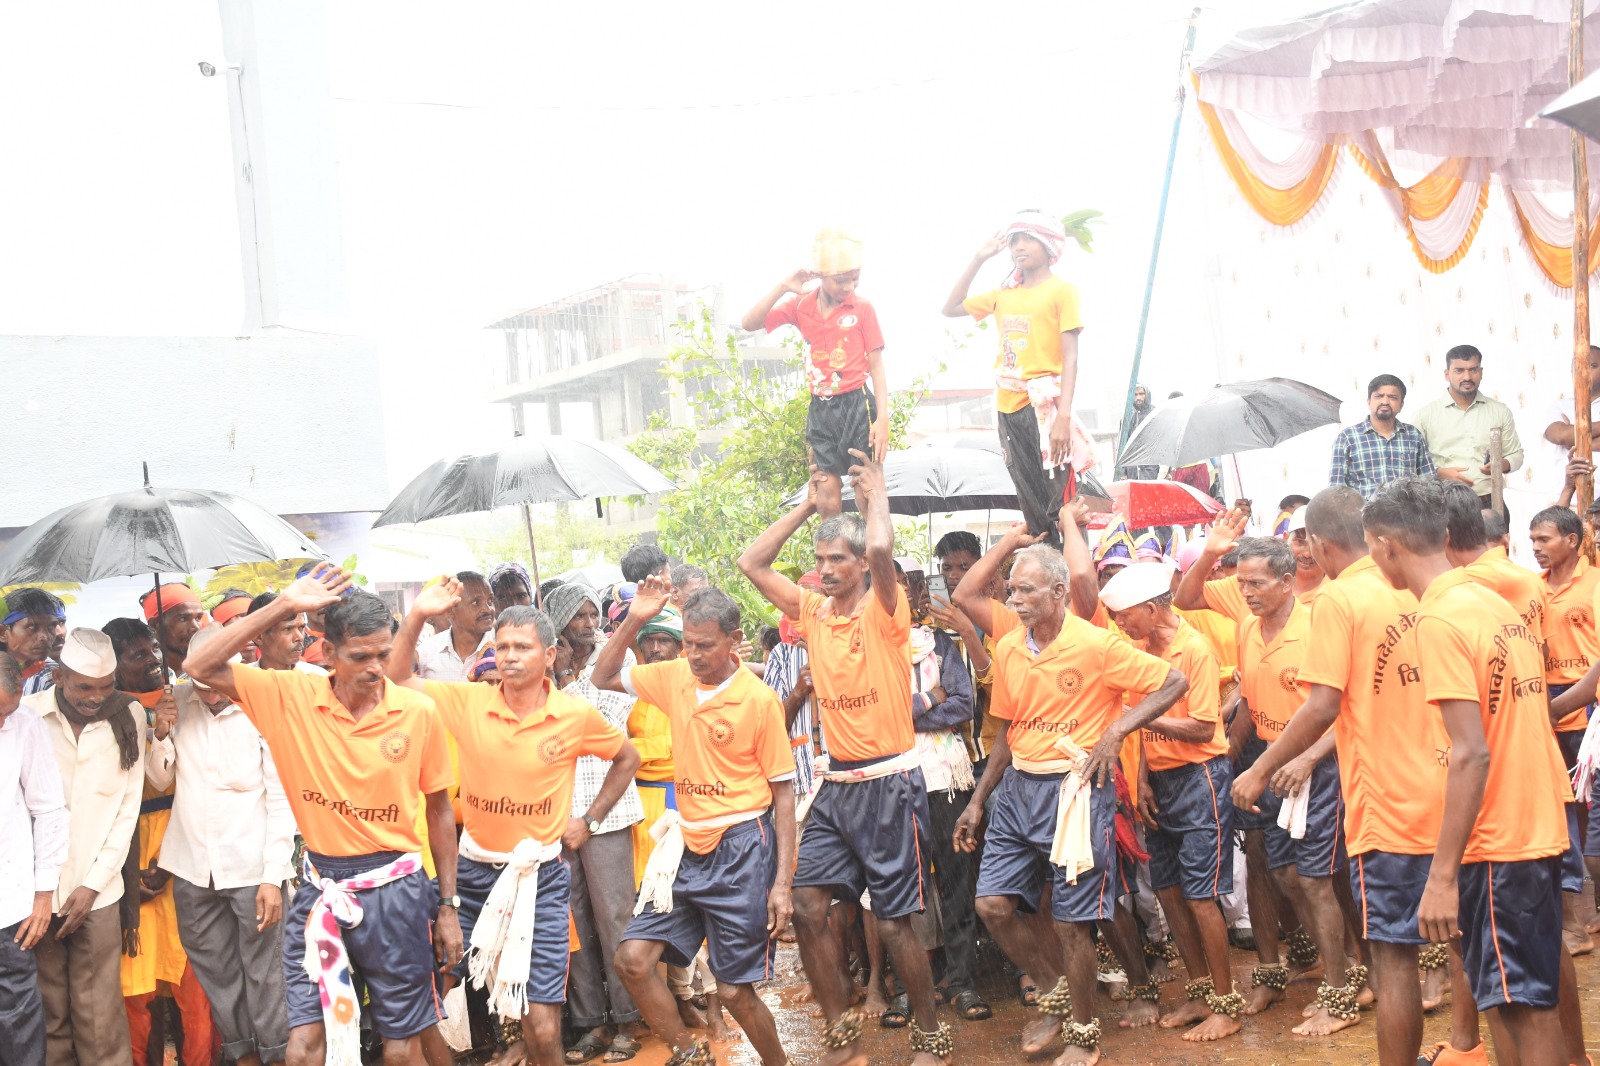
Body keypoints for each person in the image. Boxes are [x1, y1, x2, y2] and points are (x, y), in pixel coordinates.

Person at [184, 568, 462, 1066]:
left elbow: (440, 811)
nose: (376, 668)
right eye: (360, 657)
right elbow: (198, 664)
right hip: (320, 891)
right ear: (328, 652)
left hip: (396, 892)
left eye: (383, 654)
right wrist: (282, 604)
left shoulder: (417, 712)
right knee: (302, 1047)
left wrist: (447, 906)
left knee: (402, 1049)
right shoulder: (288, 696)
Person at [738, 452, 951, 1066]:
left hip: (890, 783)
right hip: (835, 786)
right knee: (807, 907)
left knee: (893, 923)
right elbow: (751, 563)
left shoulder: (886, 611)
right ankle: (842, 1040)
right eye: (821, 560)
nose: (826, 569)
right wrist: (809, 504)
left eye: (838, 559)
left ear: (860, 565)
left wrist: (876, 497)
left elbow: (882, 549)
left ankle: (931, 1039)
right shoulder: (811, 612)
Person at [1364, 477, 1577, 1066]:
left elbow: (1471, 752)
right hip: (1531, 824)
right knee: (1511, 1005)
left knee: (1524, 1011)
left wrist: (1440, 876)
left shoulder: (1439, 620)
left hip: (1498, 841)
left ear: (1384, 546)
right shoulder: (1490, 601)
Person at [1232, 487, 1447, 1066]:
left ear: (1321, 546)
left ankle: (1349, 997)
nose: (1247, 591)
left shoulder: (1337, 600)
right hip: (1441, 773)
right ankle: (1465, 1045)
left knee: (1390, 950)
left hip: (1378, 787)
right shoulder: (1421, 587)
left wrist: (1264, 767)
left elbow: (1324, 704)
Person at [387, 580, 640, 1066]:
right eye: (502, 647)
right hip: (472, 875)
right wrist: (417, 615)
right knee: (423, 990)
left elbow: (626, 758)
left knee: (542, 1027)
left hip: (540, 880)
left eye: (522, 647)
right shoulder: (469, 702)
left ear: (549, 655)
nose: (509, 656)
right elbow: (397, 679)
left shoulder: (573, 714)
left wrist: (589, 820)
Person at [952, 544, 1187, 1066]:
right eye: (1011, 590)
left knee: (1072, 920)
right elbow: (1010, 730)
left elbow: (1174, 681)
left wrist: (1118, 730)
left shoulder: (1097, 644)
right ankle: (1057, 993)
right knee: (992, 906)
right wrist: (978, 800)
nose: (1014, 599)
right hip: (1018, 791)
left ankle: (1084, 1033)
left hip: (1076, 791)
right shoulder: (1009, 647)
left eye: (1026, 590)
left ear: (1059, 593)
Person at [595, 579, 798, 1066]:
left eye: (705, 645)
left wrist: (782, 883)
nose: (693, 655)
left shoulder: (758, 700)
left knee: (733, 991)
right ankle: (689, 1055)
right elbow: (602, 676)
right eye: (688, 644)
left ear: (734, 639)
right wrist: (635, 618)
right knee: (632, 961)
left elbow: (784, 796)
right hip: (686, 847)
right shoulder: (674, 676)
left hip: (742, 847)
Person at [1098, 563, 1243, 1043]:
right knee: (1169, 890)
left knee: (1201, 896)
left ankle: (1225, 1002)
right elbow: (1146, 731)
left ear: (1151, 608)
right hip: (1160, 781)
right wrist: (1142, 779)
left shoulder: (1194, 649)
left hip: (1200, 779)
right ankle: (1199, 993)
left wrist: (1138, 716)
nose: (1120, 624)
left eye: (1125, 616)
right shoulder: (1144, 651)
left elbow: (1203, 727)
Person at [1223, 539, 1357, 1032]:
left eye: (1256, 583)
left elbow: (1348, 708)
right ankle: (1344, 974)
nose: (1246, 592)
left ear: (1286, 582)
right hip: (1271, 762)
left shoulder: (1317, 627)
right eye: (1241, 582)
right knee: (1285, 876)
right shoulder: (1246, 627)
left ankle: (1341, 994)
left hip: (1316, 767)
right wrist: (1232, 758)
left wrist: (1308, 757)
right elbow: (1249, 704)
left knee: (1317, 879)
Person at [148, 624, 292, 1066]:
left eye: (217, 679)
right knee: (217, 974)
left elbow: (282, 798)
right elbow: (159, 780)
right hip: (193, 866)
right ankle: (243, 1055)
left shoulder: (262, 704)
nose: (209, 690)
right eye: (200, 681)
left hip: (252, 868)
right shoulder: (177, 702)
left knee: (266, 975)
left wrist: (273, 876)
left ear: (233, 667)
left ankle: (277, 1057)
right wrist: (160, 733)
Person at [25, 629, 146, 1066]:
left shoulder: (129, 716)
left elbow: (127, 809)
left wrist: (93, 885)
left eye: (106, 687)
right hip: (36, 892)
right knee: (49, 1009)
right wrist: (40, 887)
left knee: (100, 1016)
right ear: (59, 676)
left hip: (100, 889)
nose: (96, 698)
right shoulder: (27, 715)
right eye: (84, 688)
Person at [611, 604, 729, 1039]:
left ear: (681, 646)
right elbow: (635, 749)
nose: (657, 648)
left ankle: (716, 1006)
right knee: (655, 904)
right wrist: (642, 751)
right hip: (645, 811)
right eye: (650, 641)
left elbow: (667, 749)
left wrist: (636, 751)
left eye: (666, 640)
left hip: (688, 802)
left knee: (704, 905)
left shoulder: (688, 685)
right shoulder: (633, 690)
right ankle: (680, 1004)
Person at [102, 618, 215, 1066]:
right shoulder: (104, 711)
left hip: (185, 842)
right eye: (137, 655)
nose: (152, 660)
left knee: (195, 984)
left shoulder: (187, 698)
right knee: (135, 988)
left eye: (152, 648)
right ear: (113, 666)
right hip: (130, 851)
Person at [541, 582, 645, 1064]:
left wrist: (565, 677)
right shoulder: (544, 668)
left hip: (607, 811)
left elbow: (601, 719)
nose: (588, 623)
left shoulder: (615, 660)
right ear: (559, 624)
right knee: (574, 924)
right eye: (577, 616)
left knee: (615, 918)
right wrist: (555, 671)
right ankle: (591, 1023)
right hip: (556, 816)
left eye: (591, 614)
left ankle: (628, 1019)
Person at [942, 211, 1083, 545]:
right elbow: (950, 307)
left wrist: (1064, 415)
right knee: (1029, 496)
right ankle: (1043, 562)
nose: (1019, 246)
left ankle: (1073, 567)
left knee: (1060, 499)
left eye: (1028, 239)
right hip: (1008, 407)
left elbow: (1071, 356)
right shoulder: (1003, 293)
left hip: (1045, 407)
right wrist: (979, 258)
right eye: (1014, 240)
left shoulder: (1062, 291)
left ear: (1048, 245)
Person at [740, 228, 889, 520]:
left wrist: (882, 418)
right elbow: (749, 323)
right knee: (826, 492)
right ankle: (832, 548)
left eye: (855, 279)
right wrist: (783, 287)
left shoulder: (862, 308)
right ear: (821, 275)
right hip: (821, 408)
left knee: (866, 488)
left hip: (857, 403)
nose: (848, 286)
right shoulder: (800, 305)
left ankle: (873, 547)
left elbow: (876, 366)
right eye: (841, 280)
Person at [1527, 505, 1600, 956]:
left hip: (1586, 705)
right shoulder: (1532, 588)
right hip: (1546, 700)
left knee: (1589, 810)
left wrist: (1561, 706)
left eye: (1545, 539)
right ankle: (1578, 917)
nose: (1536, 547)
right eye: (1532, 540)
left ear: (1572, 541)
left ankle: (1587, 914)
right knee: (1564, 808)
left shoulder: (1595, 584)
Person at [0, 650, 69, 1066]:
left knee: (19, 1021)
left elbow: (49, 810)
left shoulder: (25, 725)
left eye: (7, 711)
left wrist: (43, 895)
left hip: (9, 906)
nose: (2, 723)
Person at [1411, 345, 1523, 518]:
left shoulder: (1499, 411)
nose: (1467, 377)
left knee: (1497, 538)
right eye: (1459, 370)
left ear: (1481, 372)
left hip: (1490, 503)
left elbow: (1516, 454)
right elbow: (1412, 464)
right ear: (1447, 374)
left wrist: (1501, 464)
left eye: (1473, 370)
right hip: (1443, 504)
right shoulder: (1425, 415)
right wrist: (1439, 473)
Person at [1328, 375, 1435, 499]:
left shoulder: (1413, 436)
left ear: (1401, 405)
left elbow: (1429, 484)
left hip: (1406, 510)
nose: (1385, 402)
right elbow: (1336, 490)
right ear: (1369, 402)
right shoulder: (1347, 438)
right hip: (1364, 510)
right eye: (1379, 396)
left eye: (1392, 397)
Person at [414, 572, 496, 682]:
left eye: (490, 601)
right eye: (476, 602)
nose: (488, 609)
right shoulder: (426, 652)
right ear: (451, 610)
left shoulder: (503, 647)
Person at [2, 587, 68, 696]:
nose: (45, 637)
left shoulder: (51, 679)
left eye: (51, 626)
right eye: (32, 627)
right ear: (3, 633)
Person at [246, 594, 327, 675]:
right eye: (288, 629)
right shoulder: (243, 678)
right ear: (259, 637)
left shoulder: (318, 676)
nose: (300, 637)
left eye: (301, 628)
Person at [139, 584, 206, 679]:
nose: (196, 627)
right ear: (155, 625)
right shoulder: (145, 679)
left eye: (198, 618)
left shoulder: (214, 669)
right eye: (183, 619)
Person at [1118, 385, 1160, 481]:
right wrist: (1123, 472)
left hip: (1151, 467)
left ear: (1147, 395)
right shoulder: (1127, 416)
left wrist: (1166, 471)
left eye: (1141, 394)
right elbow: (1123, 446)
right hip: (1132, 468)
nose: (1138, 397)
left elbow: (1162, 442)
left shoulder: (1155, 414)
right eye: (1135, 394)